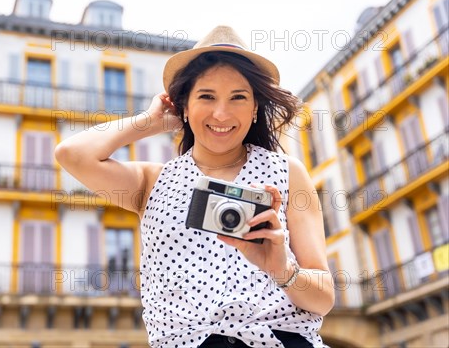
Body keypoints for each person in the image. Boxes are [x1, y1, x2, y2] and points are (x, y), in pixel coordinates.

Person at [55, 25, 334, 347]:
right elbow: (72, 154)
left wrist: (283, 269)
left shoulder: (286, 172)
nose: (221, 112)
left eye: (238, 97)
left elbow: (323, 299)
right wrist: (149, 122)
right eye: (206, 96)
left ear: (255, 107)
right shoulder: (152, 182)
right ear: (183, 106)